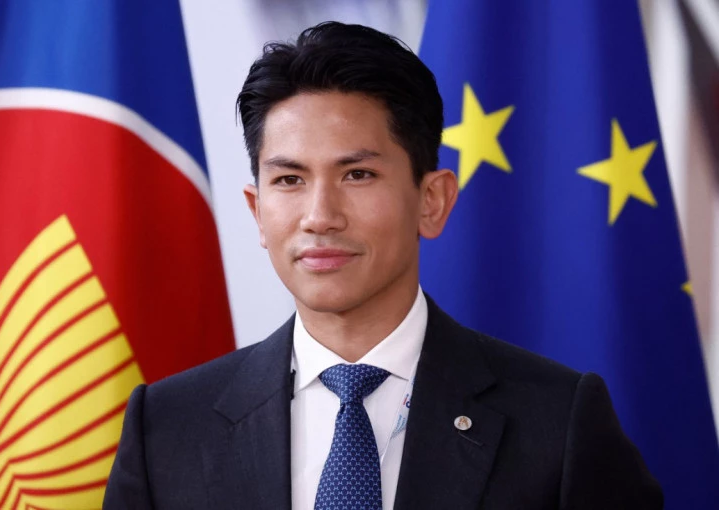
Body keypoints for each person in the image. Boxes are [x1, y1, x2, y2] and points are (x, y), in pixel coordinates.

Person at [103, 22, 662, 509]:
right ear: (257, 211)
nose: (319, 217)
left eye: (358, 175)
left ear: (432, 201)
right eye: (289, 180)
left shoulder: (559, 422)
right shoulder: (166, 428)